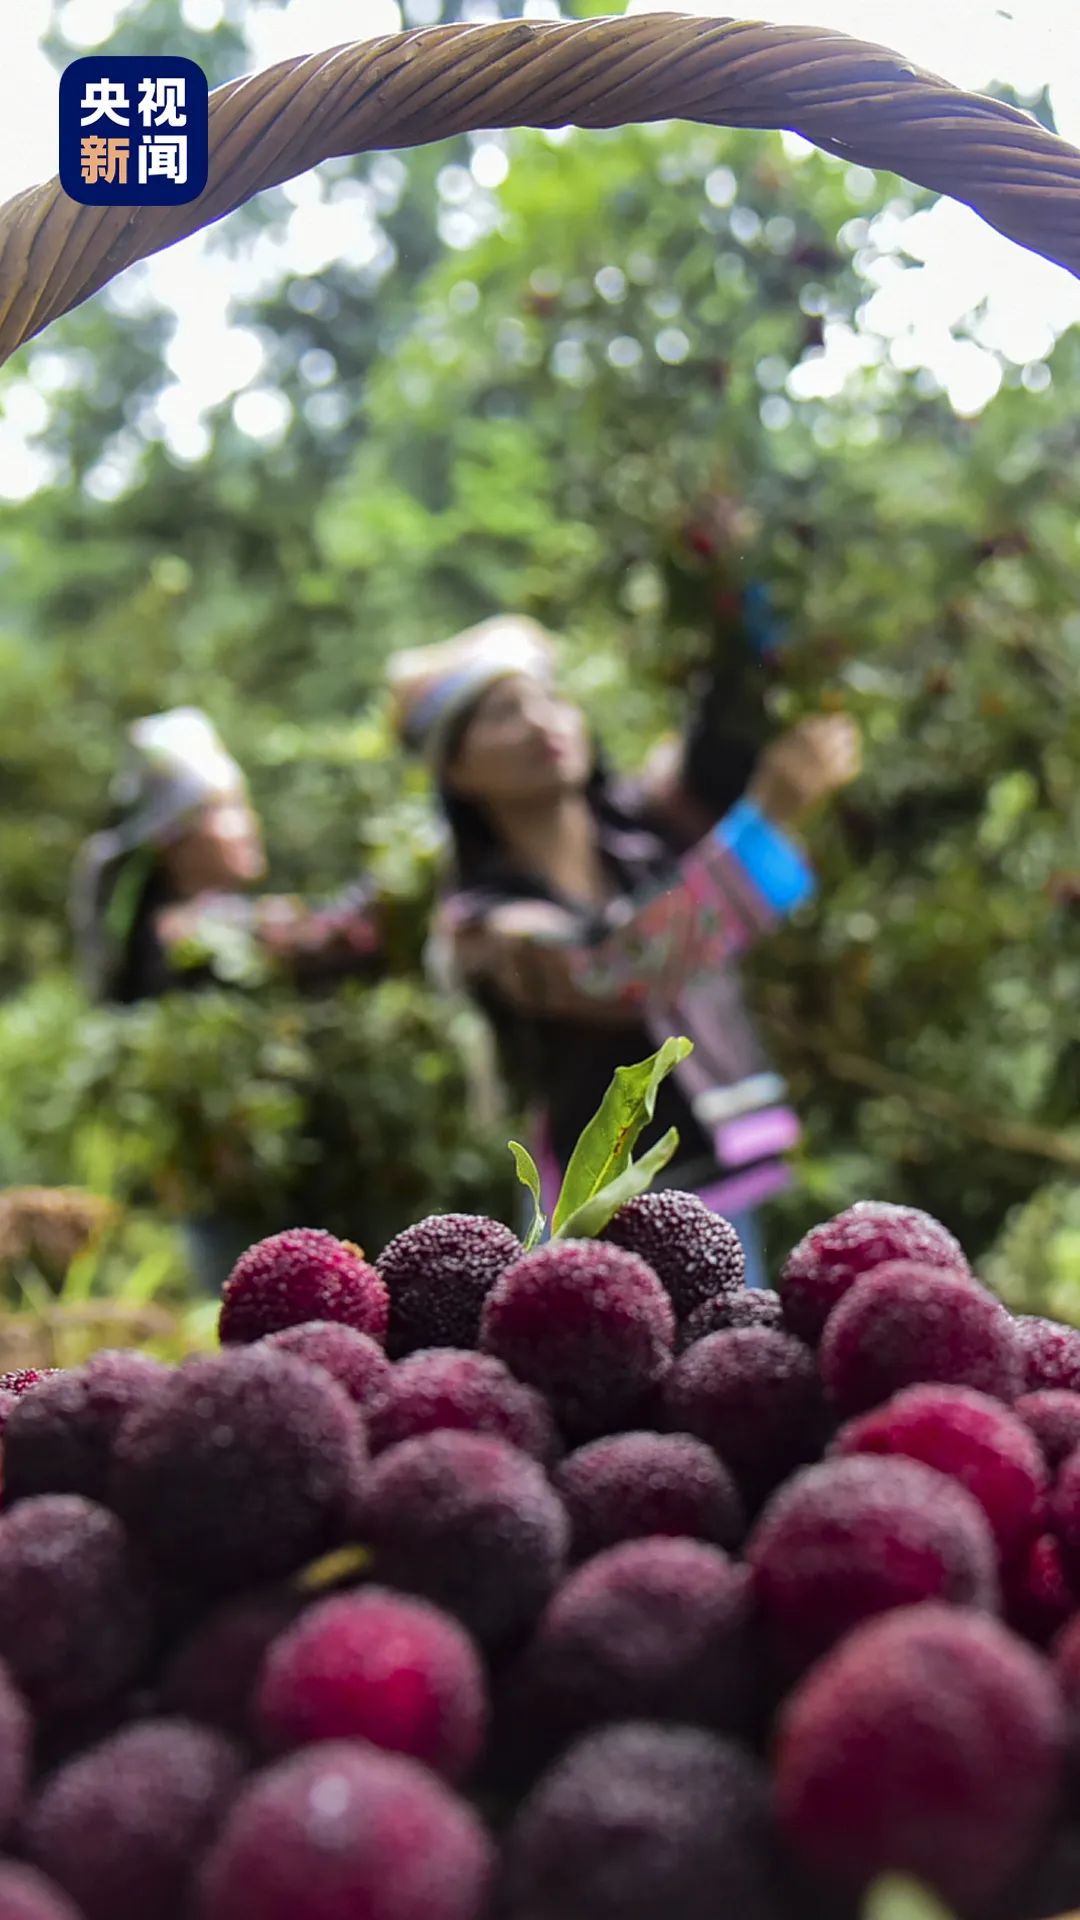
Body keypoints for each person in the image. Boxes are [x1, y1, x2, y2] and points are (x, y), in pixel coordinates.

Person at [389, 617, 860, 1286]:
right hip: (612, 1211)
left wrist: (735, 602)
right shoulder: (484, 925)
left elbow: (720, 735)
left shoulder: (641, 834)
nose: (537, 722)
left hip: (713, 1165)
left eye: (546, 699)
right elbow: (618, 972)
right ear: (456, 769)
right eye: (501, 714)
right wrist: (771, 818)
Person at [70, 707, 382, 1006]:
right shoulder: (187, 937)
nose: (248, 823)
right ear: (172, 840)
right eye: (225, 808)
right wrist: (394, 882)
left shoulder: (166, 931)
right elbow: (329, 936)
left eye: (242, 805)